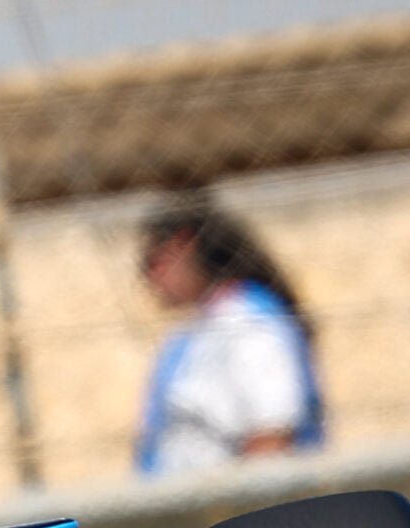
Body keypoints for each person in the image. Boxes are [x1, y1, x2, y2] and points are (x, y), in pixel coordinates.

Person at [133, 193, 325, 478]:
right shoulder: (202, 326)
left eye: (152, 262)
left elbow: (272, 435)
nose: (146, 277)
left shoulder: (248, 322)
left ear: (183, 245)